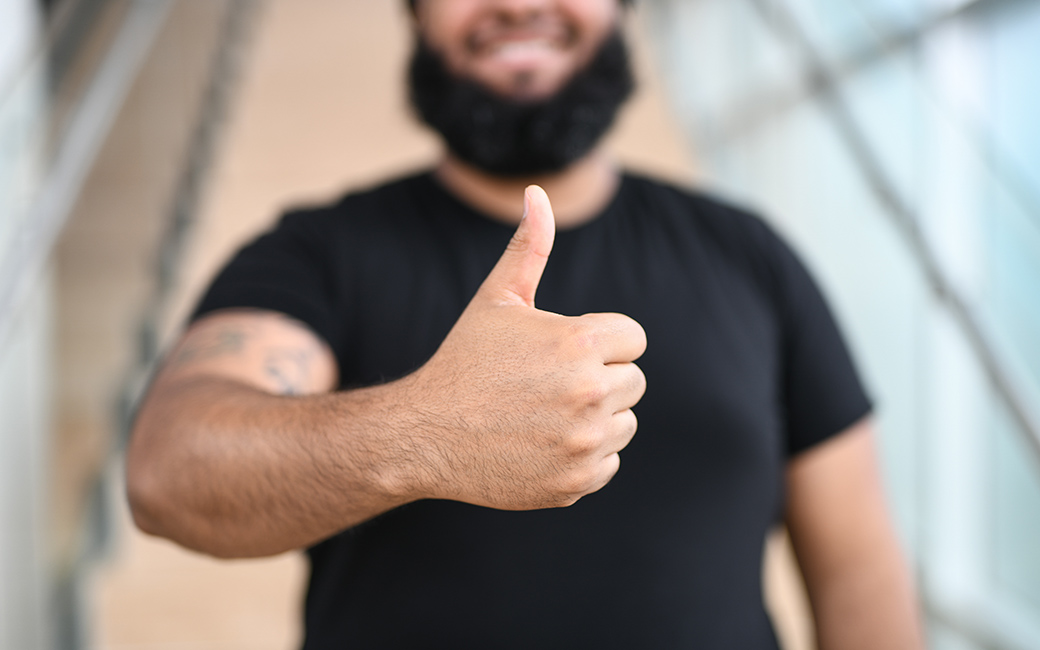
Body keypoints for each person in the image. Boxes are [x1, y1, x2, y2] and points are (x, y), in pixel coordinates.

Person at [127, 0, 924, 648]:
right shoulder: (314, 255)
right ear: (413, 15)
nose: (514, 5)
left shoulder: (750, 255)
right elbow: (170, 468)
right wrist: (427, 431)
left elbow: (857, 570)